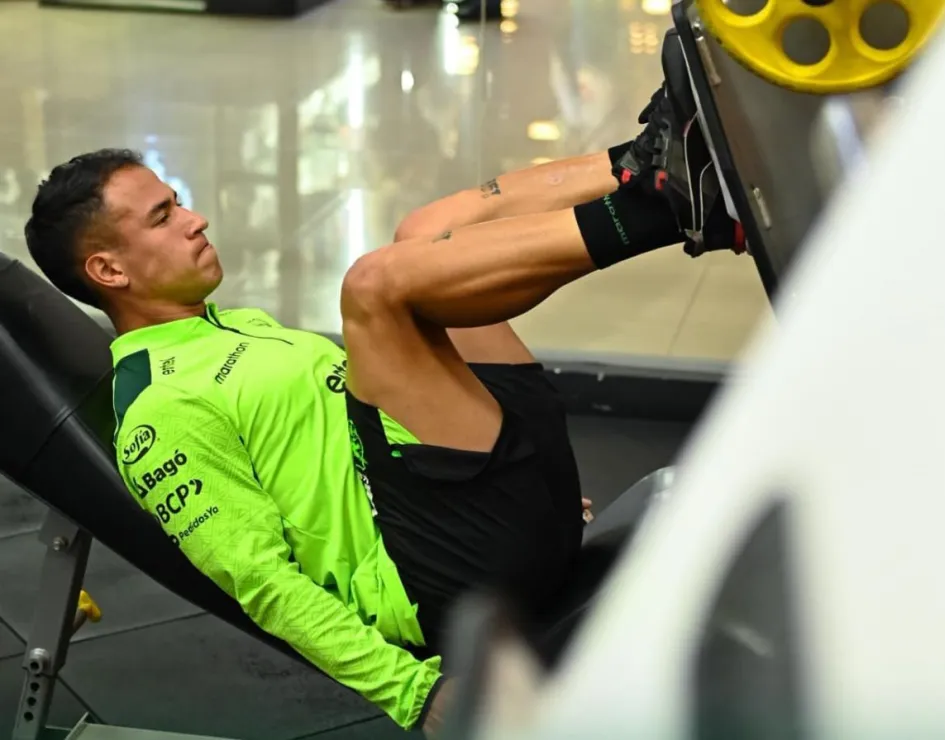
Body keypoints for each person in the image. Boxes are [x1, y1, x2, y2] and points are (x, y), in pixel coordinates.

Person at [23, 76, 741, 736]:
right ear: (109, 270)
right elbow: (264, 586)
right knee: (374, 287)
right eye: (163, 218)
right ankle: (659, 206)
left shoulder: (232, 327)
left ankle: (650, 159)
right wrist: (413, 693)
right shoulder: (156, 417)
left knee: (425, 231)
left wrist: (514, 487)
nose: (196, 220)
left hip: (478, 508)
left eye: (177, 202)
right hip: (449, 579)